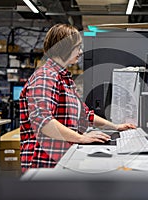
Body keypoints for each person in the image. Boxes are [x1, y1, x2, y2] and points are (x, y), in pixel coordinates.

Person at [19, 24, 136, 173]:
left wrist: (116, 126)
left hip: (61, 159)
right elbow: (43, 121)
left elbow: (85, 115)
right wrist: (81, 138)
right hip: (44, 163)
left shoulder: (64, 79)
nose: (80, 52)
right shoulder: (45, 77)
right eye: (77, 47)